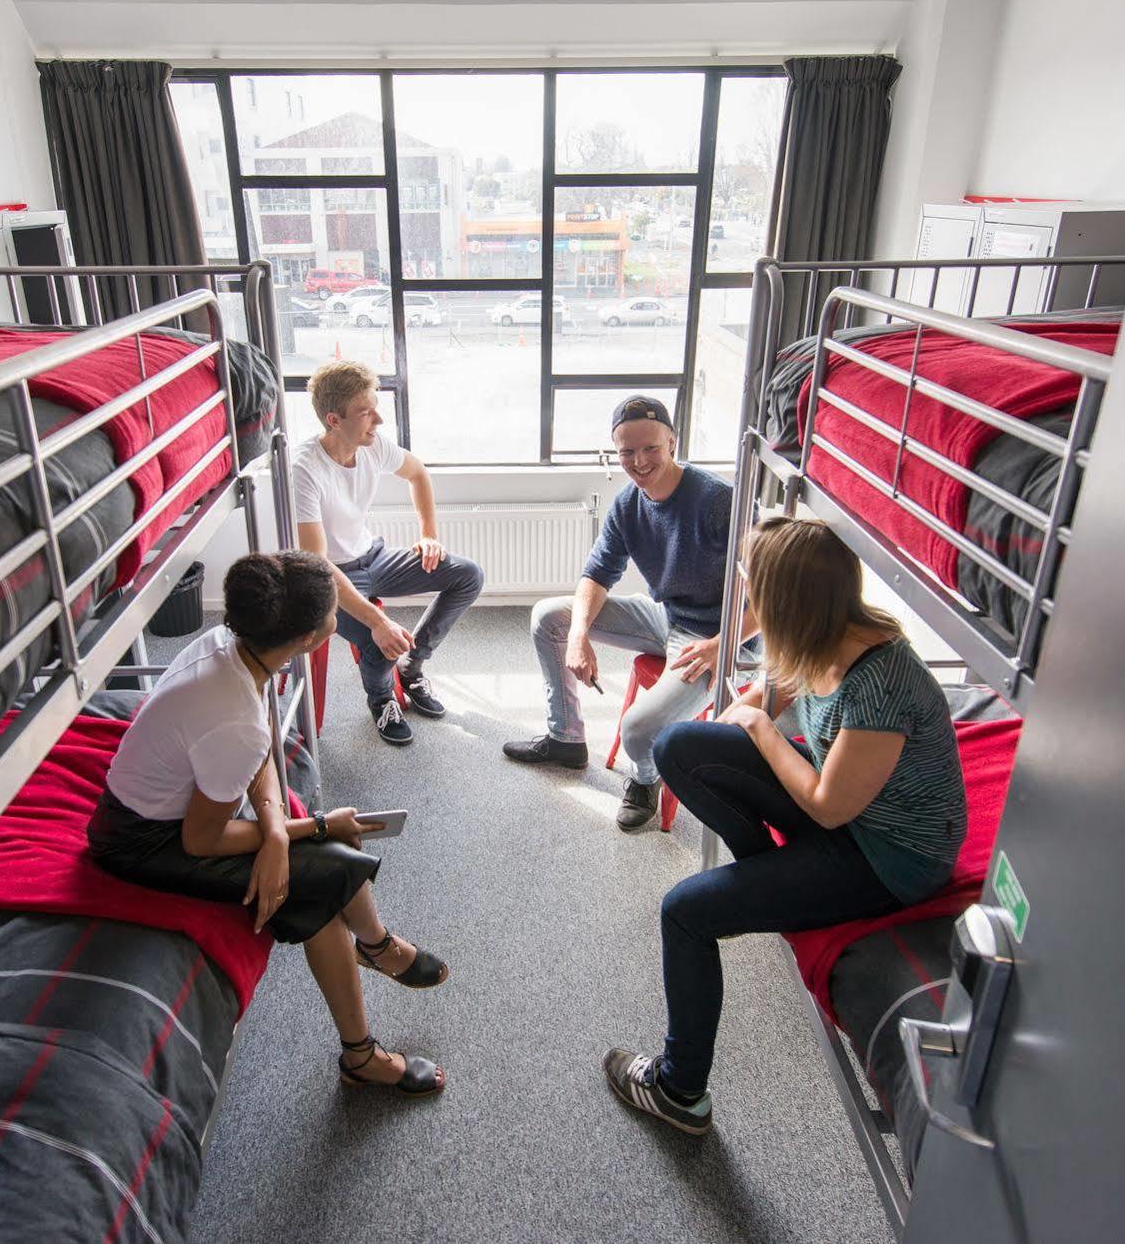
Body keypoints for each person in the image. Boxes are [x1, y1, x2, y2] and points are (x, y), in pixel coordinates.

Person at [602, 516, 967, 1132]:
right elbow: (760, 702)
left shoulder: (882, 681)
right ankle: (771, 881)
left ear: (787, 600)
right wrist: (720, 737)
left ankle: (679, 1091)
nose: (745, 598)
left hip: (887, 857)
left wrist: (761, 730)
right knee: (677, 747)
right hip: (848, 812)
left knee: (683, 913)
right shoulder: (813, 635)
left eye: (753, 588)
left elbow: (826, 805)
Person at [87, 550, 450, 1096]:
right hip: (140, 842)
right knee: (325, 875)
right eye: (332, 614)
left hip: (159, 807)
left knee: (321, 877)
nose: (338, 617)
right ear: (309, 639)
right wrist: (311, 827)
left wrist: (279, 826)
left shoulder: (229, 646)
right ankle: (365, 1029)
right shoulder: (232, 712)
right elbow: (200, 837)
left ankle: (373, 964)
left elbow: (253, 738)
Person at [502, 394, 756, 831]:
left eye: (650, 448)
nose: (639, 461)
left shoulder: (720, 501)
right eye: (627, 452)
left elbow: (775, 598)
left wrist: (721, 647)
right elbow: (596, 575)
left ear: (673, 442)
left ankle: (644, 779)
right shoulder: (627, 505)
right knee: (550, 617)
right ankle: (565, 739)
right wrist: (579, 634)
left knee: (639, 730)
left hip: (723, 636)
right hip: (667, 616)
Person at [291, 360, 485, 747]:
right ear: (334, 419)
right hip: (331, 576)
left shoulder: (373, 446)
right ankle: (381, 701)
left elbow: (418, 473)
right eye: (365, 412)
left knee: (468, 575)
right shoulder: (305, 469)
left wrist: (429, 534)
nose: (378, 419)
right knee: (378, 640)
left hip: (373, 556)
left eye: (375, 407)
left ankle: (413, 667)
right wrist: (378, 621)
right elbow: (319, 566)